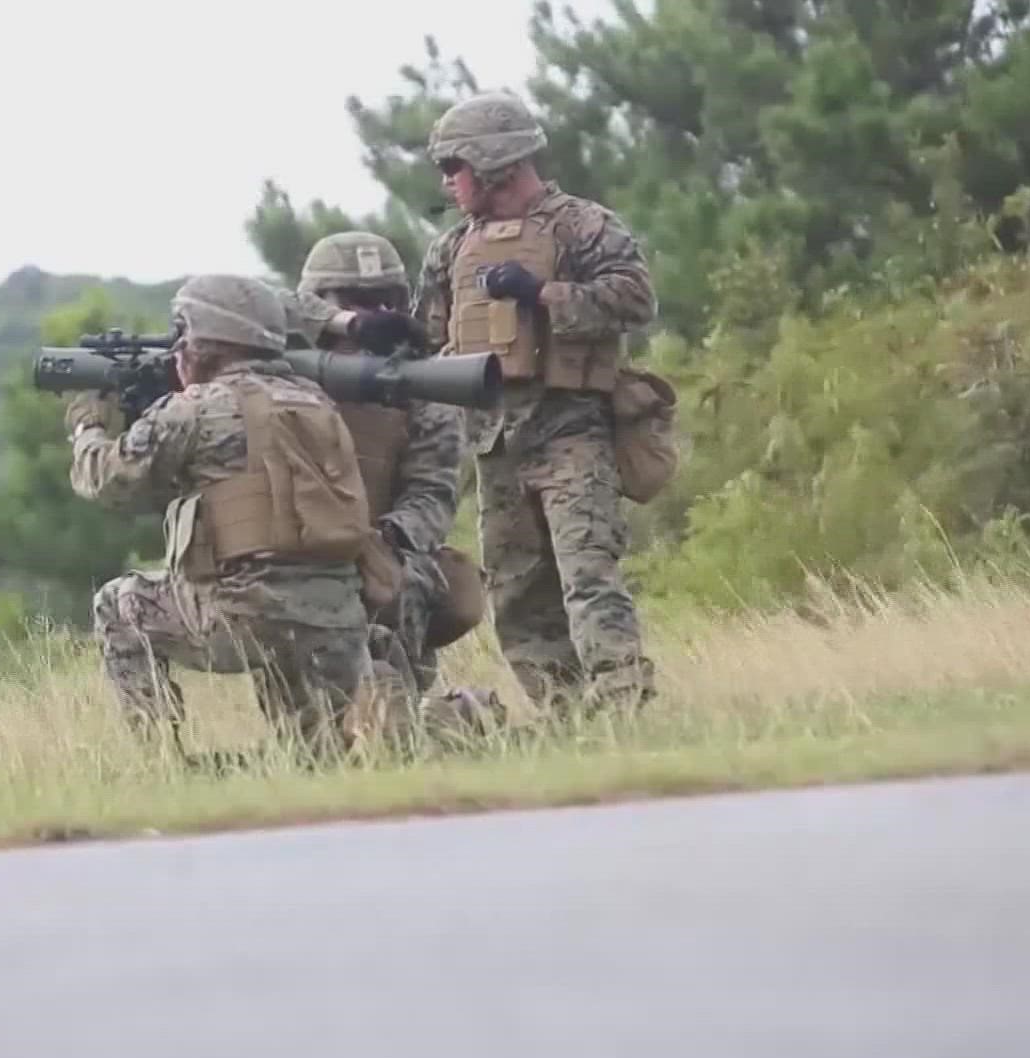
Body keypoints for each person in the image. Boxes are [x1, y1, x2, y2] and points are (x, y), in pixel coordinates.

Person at [413, 87, 659, 715]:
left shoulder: (583, 225)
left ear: (494, 162)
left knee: (588, 577)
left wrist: (542, 295)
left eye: (454, 166)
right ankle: (567, 716)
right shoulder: (451, 249)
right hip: (495, 443)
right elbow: (431, 339)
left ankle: (624, 710)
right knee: (518, 595)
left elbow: (635, 300)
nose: (449, 183)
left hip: (571, 430)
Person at [65, 273, 377, 761]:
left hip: (244, 617)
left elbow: (109, 482)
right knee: (313, 758)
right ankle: (316, 756)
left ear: (203, 341)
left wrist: (87, 426)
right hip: (338, 618)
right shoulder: (317, 402)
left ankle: (159, 762)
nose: (177, 351)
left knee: (114, 604)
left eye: (183, 337)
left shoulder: (196, 409)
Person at [293, 231, 477, 701]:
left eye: (384, 303)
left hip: (381, 550)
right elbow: (251, 303)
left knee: (407, 584)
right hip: (291, 552)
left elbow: (432, 494)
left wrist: (382, 541)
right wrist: (346, 324)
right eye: (354, 301)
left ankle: (413, 708)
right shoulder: (281, 367)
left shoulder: (423, 388)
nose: (374, 314)